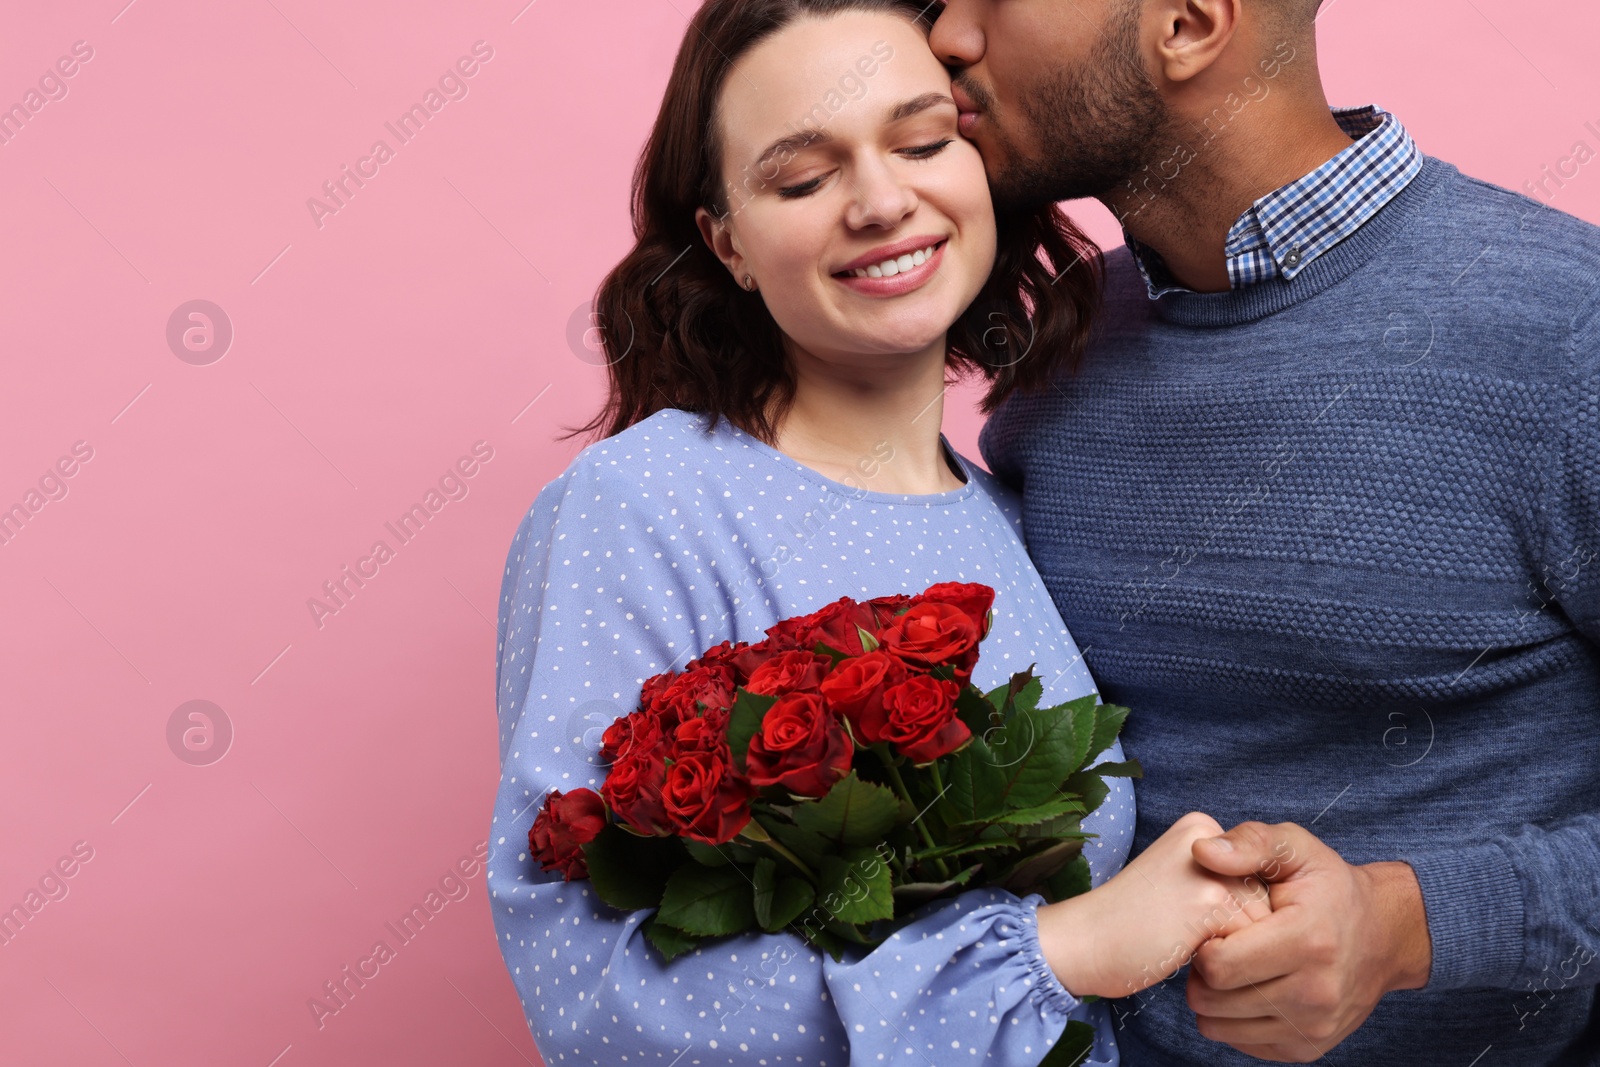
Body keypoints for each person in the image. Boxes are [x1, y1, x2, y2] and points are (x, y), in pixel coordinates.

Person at [487, 1, 1271, 1063]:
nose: (879, 200)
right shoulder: (640, 506)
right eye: (802, 178)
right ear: (729, 243)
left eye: (920, 141)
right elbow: (593, 999)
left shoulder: (1018, 514)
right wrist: (1055, 949)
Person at [929, 0, 1600, 1063]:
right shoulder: (1060, 346)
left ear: (1189, 22)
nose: (948, 37)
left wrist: (1406, 923)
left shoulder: (1572, 333)